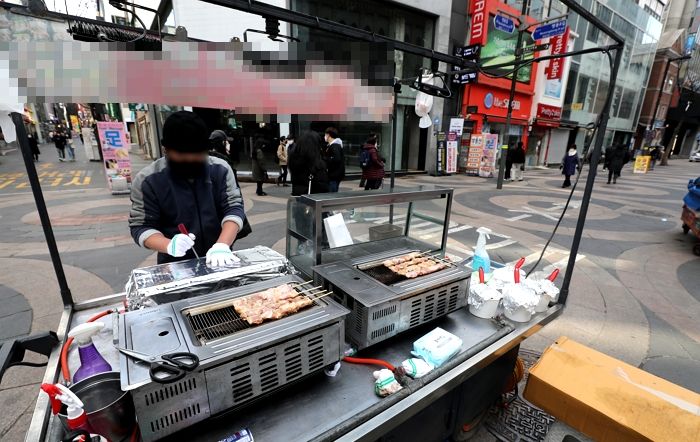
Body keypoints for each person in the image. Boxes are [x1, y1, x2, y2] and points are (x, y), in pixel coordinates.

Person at [128, 111, 245, 266]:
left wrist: (222, 245)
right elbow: (141, 226)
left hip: (220, 259)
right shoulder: (148, 181)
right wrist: (168, 245)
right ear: (166, 150)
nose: (190, 161)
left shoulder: (220, 169)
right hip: (174, 264)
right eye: (182, 157)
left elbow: (233, 208)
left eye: (197, 156)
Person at [288, 131, 329, 196]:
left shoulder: (293, 160)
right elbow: (323, 187)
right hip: (314, 200)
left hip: (298, 197)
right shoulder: (318, 164)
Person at [323, 127, 345, 192]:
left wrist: (325, 159)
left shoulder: (335, 146)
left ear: (328, 135)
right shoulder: (333, 145)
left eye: (325, 135)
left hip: (334, 175)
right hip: (335, 174)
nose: (324, 136)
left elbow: (336, 159)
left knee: (332, 194)